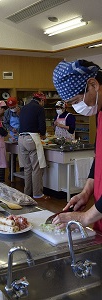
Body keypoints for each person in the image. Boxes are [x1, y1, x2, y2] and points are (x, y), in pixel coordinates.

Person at [52, 59, 102, 232]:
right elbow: (99, 157)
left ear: (93, 84)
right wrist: (87, 191)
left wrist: (85, 217)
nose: (77, 107)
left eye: (76, 101)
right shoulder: (99, 112)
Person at [18, 92, 49, 200]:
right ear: (42, 100)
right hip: (31, 138)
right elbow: (42, 124)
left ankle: (27, 192)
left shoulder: (24, 108)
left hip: (21, 138)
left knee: (27, 168)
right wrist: (43, 134)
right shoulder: (39, 108)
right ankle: (37, 194)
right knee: (36, 168)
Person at [3, 97, 21, 178]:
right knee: (12, 154)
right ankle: (11, 173)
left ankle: (22, 171)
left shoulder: (22, 110)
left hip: (22, 134)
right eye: (11, 108)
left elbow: (26, 120)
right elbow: (5, 123)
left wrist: (19, 114)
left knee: (22, 155)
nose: (12, 109)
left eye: (14, 107)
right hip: (12, 135)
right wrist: (11, 129)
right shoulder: (7, 112)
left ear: (17, 104)